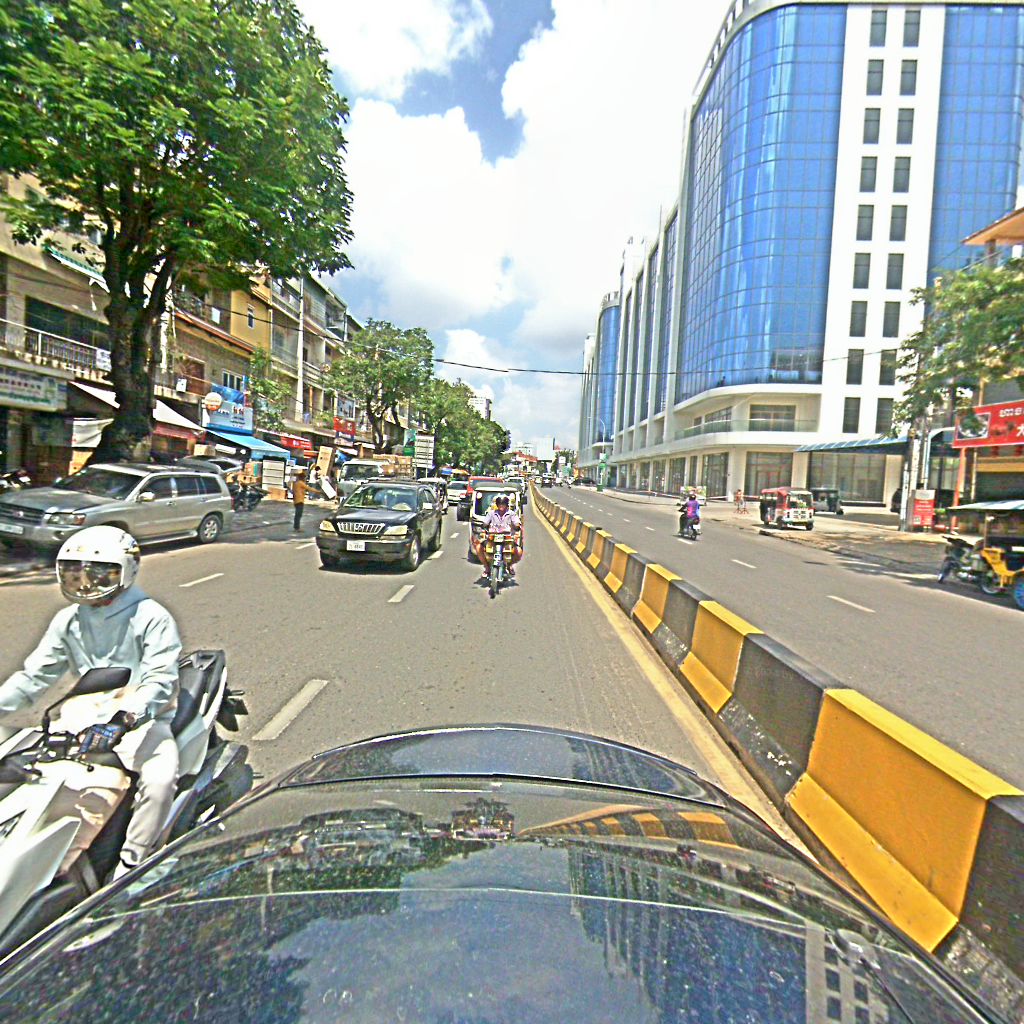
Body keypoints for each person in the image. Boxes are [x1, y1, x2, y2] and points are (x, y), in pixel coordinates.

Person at [0, 526, 181, 877]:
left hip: (138, 717)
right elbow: (33, 677)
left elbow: (160, 680)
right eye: (75, 573)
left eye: (98, 575)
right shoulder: (68, 620)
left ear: (125, 572)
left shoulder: (151, 617)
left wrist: (124, 719)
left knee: (160, 781)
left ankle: (133, 864)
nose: (84, 584)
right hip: (81, 713)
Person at [479, 494, 523, 578]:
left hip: (507, 539)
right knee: (478, 548)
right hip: (492, 538)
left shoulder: (512, 514)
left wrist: (516, 526)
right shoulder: (491, 513)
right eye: (499, 504)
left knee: (519, 552)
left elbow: (517, 523)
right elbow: (485, 522)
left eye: (503, 504)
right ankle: (487, 568)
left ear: (507, 505)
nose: (501, 506)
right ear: (497, 505)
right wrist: (484, 525)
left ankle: (509, 566)